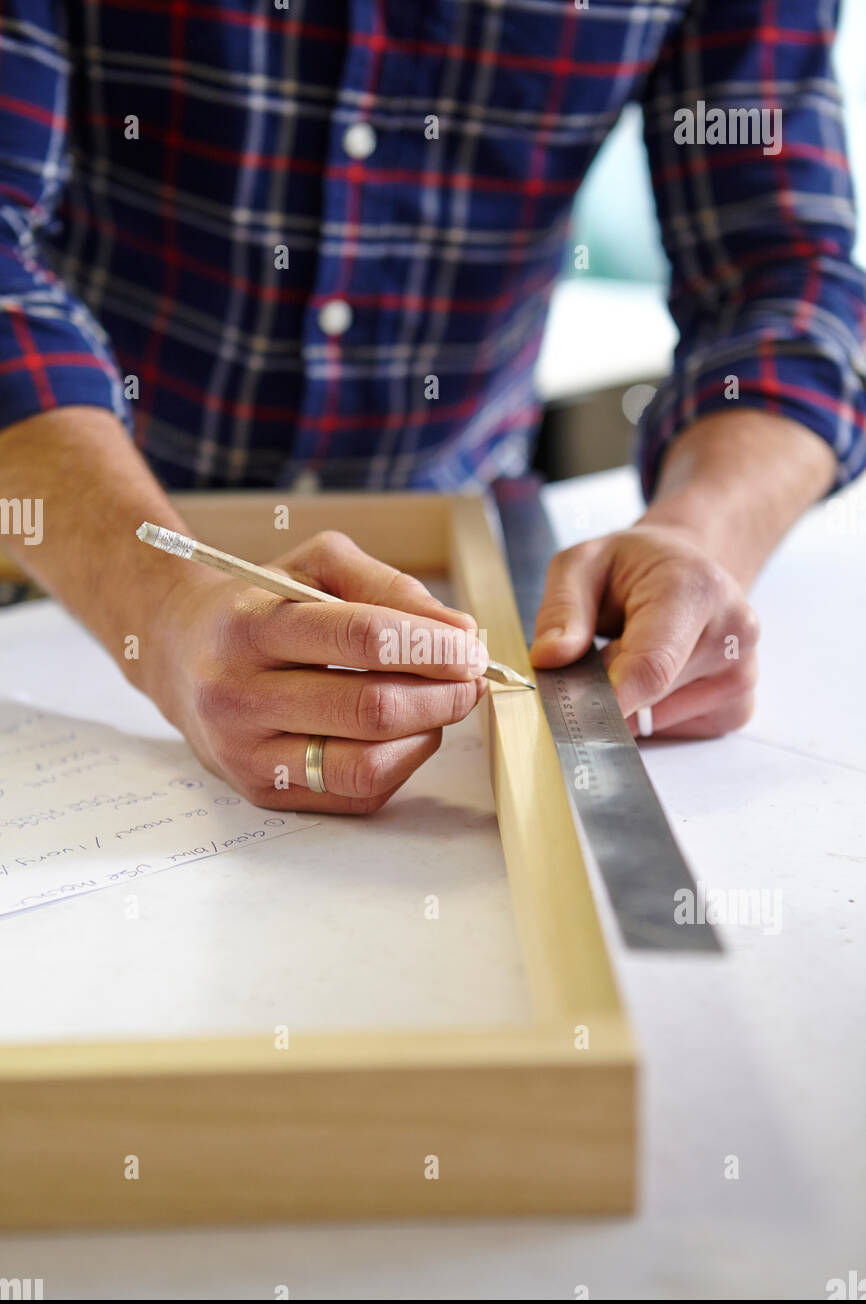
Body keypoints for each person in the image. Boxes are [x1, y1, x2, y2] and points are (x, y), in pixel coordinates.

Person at [1, 2, 863, 812]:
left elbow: (787, 278)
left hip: (474, 530)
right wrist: (158, 610)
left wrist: (700, 533)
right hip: (63, 545)